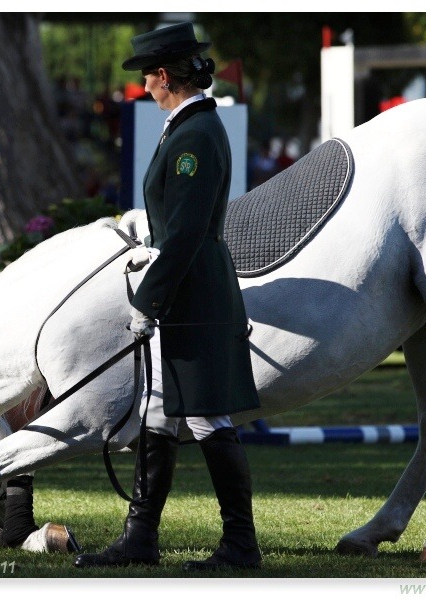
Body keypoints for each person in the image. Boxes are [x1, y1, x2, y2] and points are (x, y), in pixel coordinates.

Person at [73, 22, 262, 572]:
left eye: (147, 78)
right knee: (157, 410)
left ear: (162, 75)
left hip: (193, 295)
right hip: (185, 288)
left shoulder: (195, 136)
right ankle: (140, 537)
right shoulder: (187, 127)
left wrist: (147, 299)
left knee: (207, 419)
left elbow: (184, 232)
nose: (144, 89)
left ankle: (241, 545)